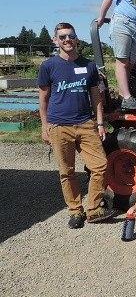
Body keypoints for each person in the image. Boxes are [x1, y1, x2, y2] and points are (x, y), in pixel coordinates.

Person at [38, 22, 116, 228]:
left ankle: (93, 209)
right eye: (62, 37)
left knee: (100, 165)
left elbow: (96, 98)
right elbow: (43, 99)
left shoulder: (88, 66)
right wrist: (44, 126)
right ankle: (75, 211)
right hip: (58, 125)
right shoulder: (48, 66)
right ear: (55, 40)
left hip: (85, 123)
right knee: (67, 171)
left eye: (70, 35)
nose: (67, 40)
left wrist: (99, 123)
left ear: (76, 38)